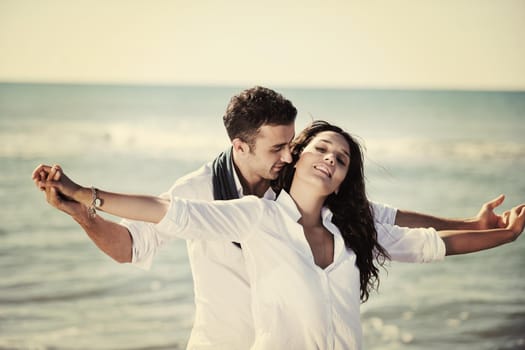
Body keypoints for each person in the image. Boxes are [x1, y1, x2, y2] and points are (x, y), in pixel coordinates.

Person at [32, 87, 513, 349]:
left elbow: (386, 220)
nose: (293, 152)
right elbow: (132, 245)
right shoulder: (205, 192)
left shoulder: (298, 181)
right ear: (240, 147)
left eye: (293, 142)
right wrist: (84, 207)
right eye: (280, 146)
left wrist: (475, 224)